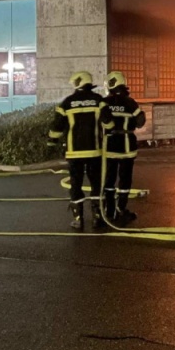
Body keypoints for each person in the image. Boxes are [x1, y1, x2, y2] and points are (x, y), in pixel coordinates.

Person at [49, 71, 113, 231]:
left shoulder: (67, 103)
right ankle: (98, 217)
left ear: (76, 84)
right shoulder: (99, 101)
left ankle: (78, 219)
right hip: (95, 152)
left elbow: (57, 127)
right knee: (96, 184)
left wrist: (51, 143)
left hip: (74, 153)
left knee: (75, 184)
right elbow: (109, 123)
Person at [102, 71, 146, 224]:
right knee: (125, 179)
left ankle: (109, 210)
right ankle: (121, 209)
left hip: (110, 145)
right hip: (127, 145)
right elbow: (140, 122)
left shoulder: (104, 102)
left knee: (109, 179)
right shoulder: (130, 102)